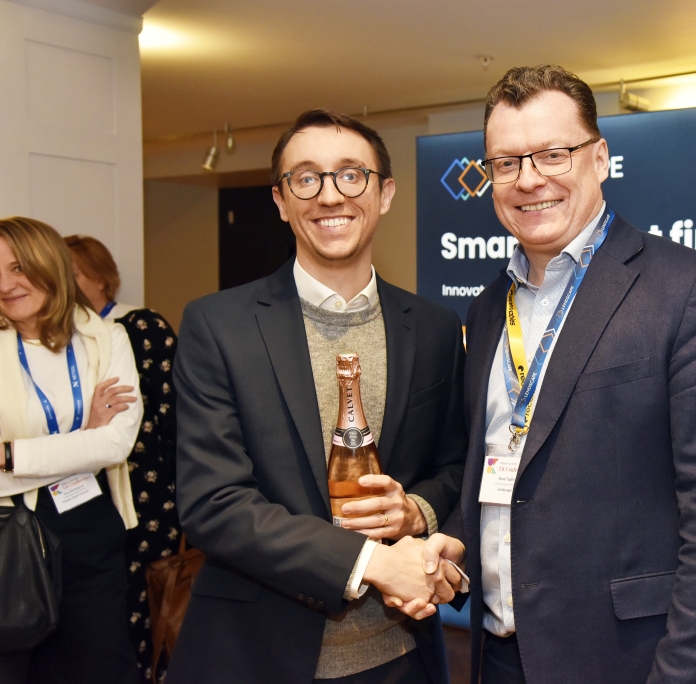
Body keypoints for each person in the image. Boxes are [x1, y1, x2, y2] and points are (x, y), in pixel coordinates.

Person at [421, 65, 696, 683]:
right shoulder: (487, 308)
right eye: (506, 163)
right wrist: (457, 539)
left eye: (552, 154)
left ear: (600, 157)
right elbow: (507, 467)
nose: (528, 179)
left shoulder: (690, 288)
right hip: (499, 655)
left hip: (635, 661)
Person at [167, 109, 468, 684]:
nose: (330, 195)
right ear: (281, 201)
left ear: (385, 193)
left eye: (351, 174)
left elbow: (455, 465)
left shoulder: (433, 327)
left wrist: (416, 510)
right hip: (256, 656)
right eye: (306, 178)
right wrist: (373, 562)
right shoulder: (218, 326)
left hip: (403, 656)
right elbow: (214, 502)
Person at [0, 217, 142, 684]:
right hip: (6, 535)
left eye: (18, 267)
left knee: (98, 668)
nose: (6, 285)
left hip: (87, 528)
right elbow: (97, 445)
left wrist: (10, 456)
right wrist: (84, 437)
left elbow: (116, 442)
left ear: (50, 265)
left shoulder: (106, 339)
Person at [65, 234, 181, 683]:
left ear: (102, 278)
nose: (66, 284)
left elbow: (174, 415)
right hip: (86, 496)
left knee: (150, 604)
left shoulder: (140, 326)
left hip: (149, 495)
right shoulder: (61, 340)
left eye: (74, 274)